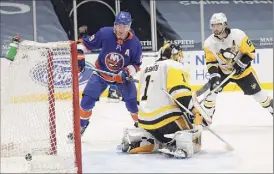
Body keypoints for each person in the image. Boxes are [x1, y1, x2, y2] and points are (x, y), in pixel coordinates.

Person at [118, 42, 205, 159]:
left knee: (157, 131)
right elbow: (181, 95)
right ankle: (180, 146)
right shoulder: (174, 66)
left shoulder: (146, 69)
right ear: (176, 55)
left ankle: (147, 142)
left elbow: (138, 100)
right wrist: (195, 113)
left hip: (144, 121)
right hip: (167, 121)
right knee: (195, 135)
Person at [68, 11, 142, 140]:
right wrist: (79, 55)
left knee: (133, 106)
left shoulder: (135, 43)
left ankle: (142, 127)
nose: (121, 29)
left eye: (124, 26)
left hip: (122, 79)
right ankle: (81, 126)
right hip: (101, 74)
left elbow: (137, 64)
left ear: (129, 27)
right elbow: (83, 44)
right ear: (114, 25)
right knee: (86, 103)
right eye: (119, 25)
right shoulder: (105, 33)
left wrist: (126, 73)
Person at [203, 13, 273, 120]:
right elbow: (211, 62)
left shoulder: (239, 35)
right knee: (210, 93)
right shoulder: (209, 43)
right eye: (213, 25)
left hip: (243, 73)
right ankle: (207, 116)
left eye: (218, 25)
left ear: (225, 24)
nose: (215, 28)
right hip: (223, 71)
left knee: (261, 96)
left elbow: (251, 52)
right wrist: (214, 75)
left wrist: (241, 64)